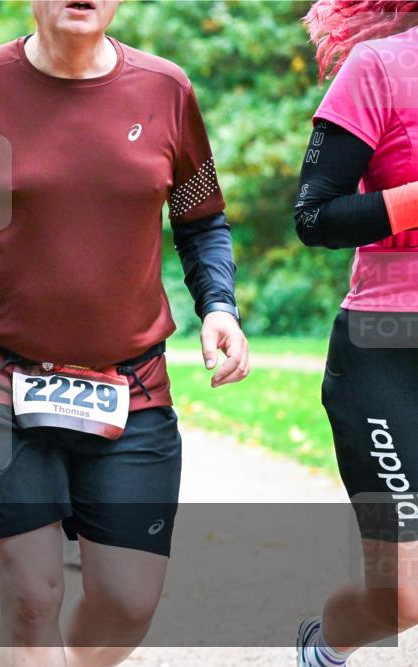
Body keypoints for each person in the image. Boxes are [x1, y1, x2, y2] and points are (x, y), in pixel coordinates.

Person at [0, 2, 249, 665]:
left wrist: (218, 304)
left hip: (131, 384)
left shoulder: (166, 90)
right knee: (30, 597)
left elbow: (203, 222)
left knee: (128, 601)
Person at [293, 3, 418, 666]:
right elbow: (314, 216)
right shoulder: (379, 68)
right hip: (386, 353)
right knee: (403, 596)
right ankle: (325, 647)